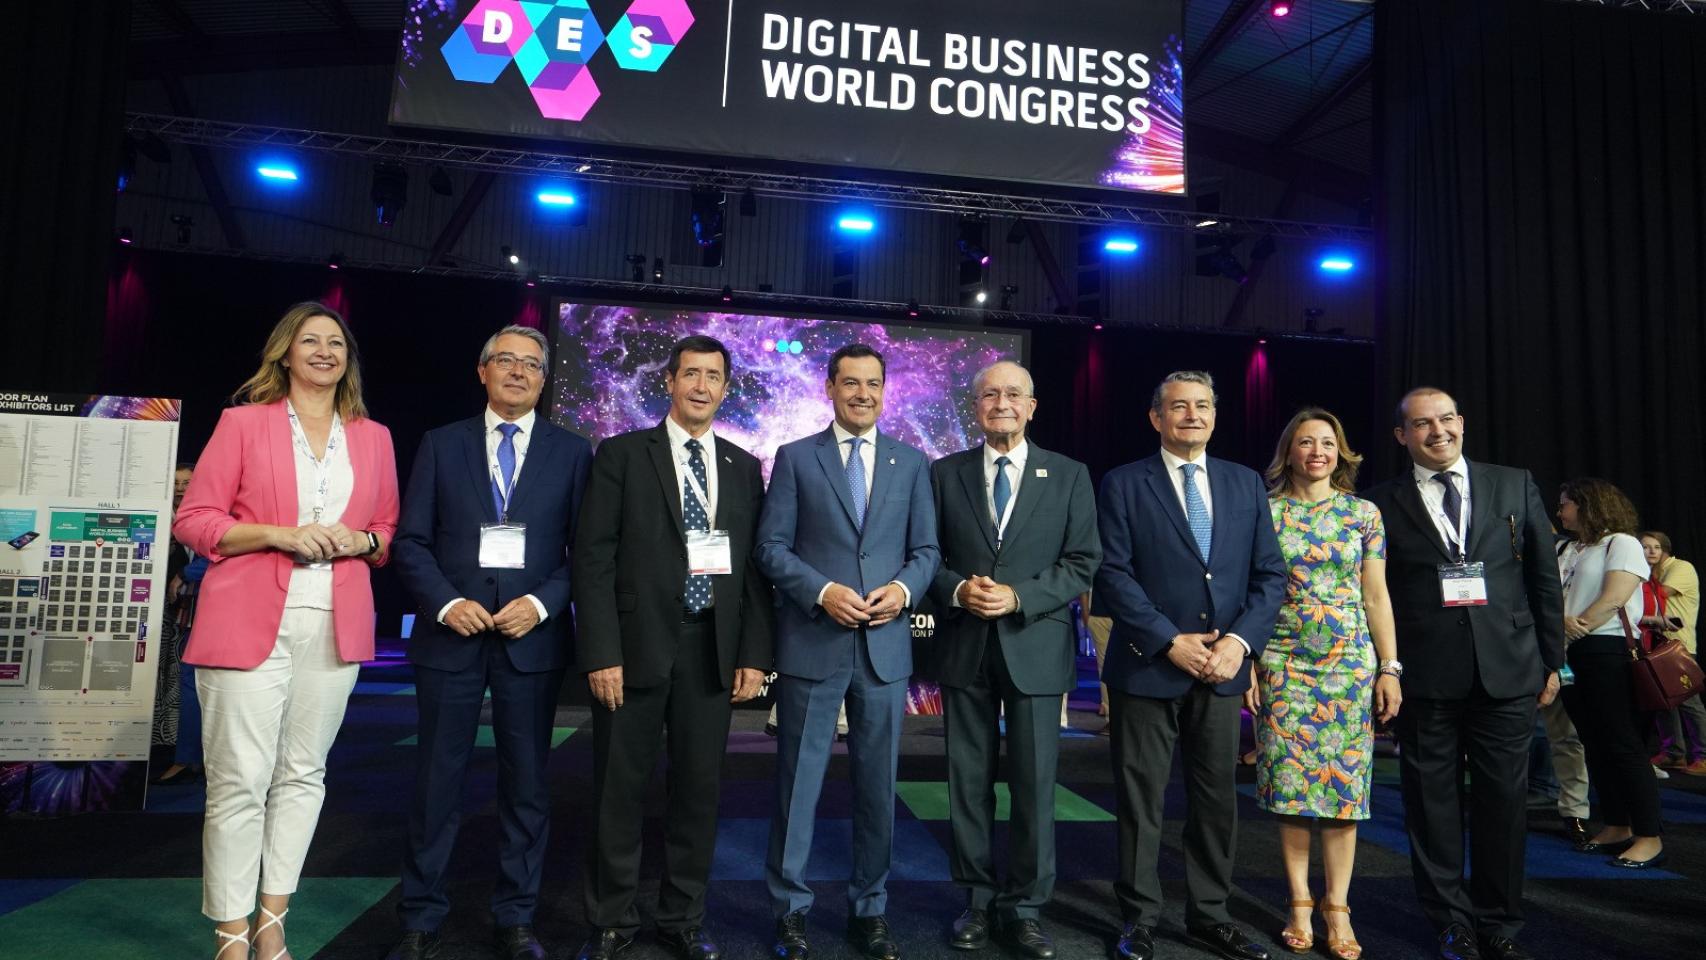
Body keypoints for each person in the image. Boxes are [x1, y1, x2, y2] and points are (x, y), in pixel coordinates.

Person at [172, 302, 399, 960]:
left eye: (337, 343)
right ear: (285, 353)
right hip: (245, 620)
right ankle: (231, 932)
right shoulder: (244, 424)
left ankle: (273, 919)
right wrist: (277, 534)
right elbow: (196, 520)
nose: (325, 351)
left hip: (335, 624)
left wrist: (362, 538)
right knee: (240, 779)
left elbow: (385, 533)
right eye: (311, 341)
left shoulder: (375, 436)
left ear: (347, 359)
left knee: (303, 775)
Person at [387, 325, 591, 960]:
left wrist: (539, 604)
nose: (519, 372)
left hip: (531, 642)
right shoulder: (441, 444)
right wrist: (447, 603)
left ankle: (516, 916)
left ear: (544, 378)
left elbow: (584, 552)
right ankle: (421, 918)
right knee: (435, 783)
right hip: (451, 639)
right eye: (506, 360)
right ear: (482, 371)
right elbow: (410, 541)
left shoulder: (574, 451)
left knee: (526, 785)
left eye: (532, 364)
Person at [571, 336, 773, 960]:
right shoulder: (623, 454)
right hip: (631, 652)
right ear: (670, 381)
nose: (702, 387)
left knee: (697, 792)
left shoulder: (745, 466)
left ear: (725, 387)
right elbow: (592, 557)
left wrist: (755, 655)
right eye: (691, 374)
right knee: (618, 790)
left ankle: (682, 919)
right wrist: (601, 652)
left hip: (711, 649)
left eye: (714, 377)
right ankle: (611, 920)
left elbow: (754, 574)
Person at [1362, 388, 1564, 960]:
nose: (1438, 431)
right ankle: (1451, 921)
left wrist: (1554, 661)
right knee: (1432, 806)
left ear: (1462, 424)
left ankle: (1500, 922)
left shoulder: (1513, 482)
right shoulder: (1378, 503)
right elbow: (1373, 596)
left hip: (1508, 669)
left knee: (1505, 803)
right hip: (1423, 676)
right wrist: (1386, 668)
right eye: (1421, 424)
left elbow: (1544, 580)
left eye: (1447, 419)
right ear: (1402, 436)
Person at [1093, 370, 1286, 960]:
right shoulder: (1124, 483)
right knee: (1141, 800)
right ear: (1157, 418)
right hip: (1149, 666)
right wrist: (1167, 640)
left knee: (1215, 802)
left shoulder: (1245, 482)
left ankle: (1209, 915)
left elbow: (1270, 576)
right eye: (1179, 406)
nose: (1192, 415)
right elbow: (1112, 573)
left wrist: (1239, 645)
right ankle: (1139, 919)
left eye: (1203, 405)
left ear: (1215, 415)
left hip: (1223, 670)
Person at [756, 344, 940, 960]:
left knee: (877, 788)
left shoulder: (912, 462)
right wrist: (824, 592)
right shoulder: (795, 457)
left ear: (886, 391)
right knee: (797, 786)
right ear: (829, 388)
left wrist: (905, 588)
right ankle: (789, 911)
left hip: (886, 649)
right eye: (851, 383)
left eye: (874, 384)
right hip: (814, 643)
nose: (863, 394)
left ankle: (870, 910)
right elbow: (772, 548)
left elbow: (927, 552)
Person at [927, 361, 1101, 959]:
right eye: (989, 394)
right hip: (964, 647)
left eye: (1013, 394)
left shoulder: (1071, 475)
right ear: (975, 406)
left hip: (1035, 646)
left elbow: (1083, 560)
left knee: (1033, 787)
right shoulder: (943, 473)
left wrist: (1020, 596)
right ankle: (975, 901)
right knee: (966, 784)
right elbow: (927, 555)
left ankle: (1025, 907)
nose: (1001, 402)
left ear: (1032, 406)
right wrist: (956, 589)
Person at [1246, 409, 1400, 960]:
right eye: (1306, 442)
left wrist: (1389, 666)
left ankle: (1338, 906)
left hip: (1351, 667)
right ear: (1288, 451)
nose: (1318, 451)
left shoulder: (1364, 514)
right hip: (1283, 662)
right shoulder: (1264, 512)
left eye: (1328, 443)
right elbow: (1251, 594)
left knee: (1343, 795)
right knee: (1290, 794)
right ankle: (1299, 903)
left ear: (1342, 452)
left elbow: (1376, 595)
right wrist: (1249, 663)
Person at [1555, 480, 1666, 868]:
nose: (1561, 512)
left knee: (1623, 744)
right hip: (1571, 654)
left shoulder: (1622, 542)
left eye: (1566, 504)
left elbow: (1616, 596)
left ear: (1589, 505)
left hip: (1606, 649)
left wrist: (1576, 625)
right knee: (1593, 743)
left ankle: (1649, 835)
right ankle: (1617, 824)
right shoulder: (1569, 547)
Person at [1641, 530, 1705, 774]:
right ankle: (1673, 753)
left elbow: (1659, 595)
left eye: (1656, 547)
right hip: (1657, 646)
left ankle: (1704, 754)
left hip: (1679, 647)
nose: (1651, 552)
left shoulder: (1681, 568)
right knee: (1663, 703)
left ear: (1664, 549)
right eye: (1646, 548)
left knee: (1689, 701)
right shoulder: (1650, 572)